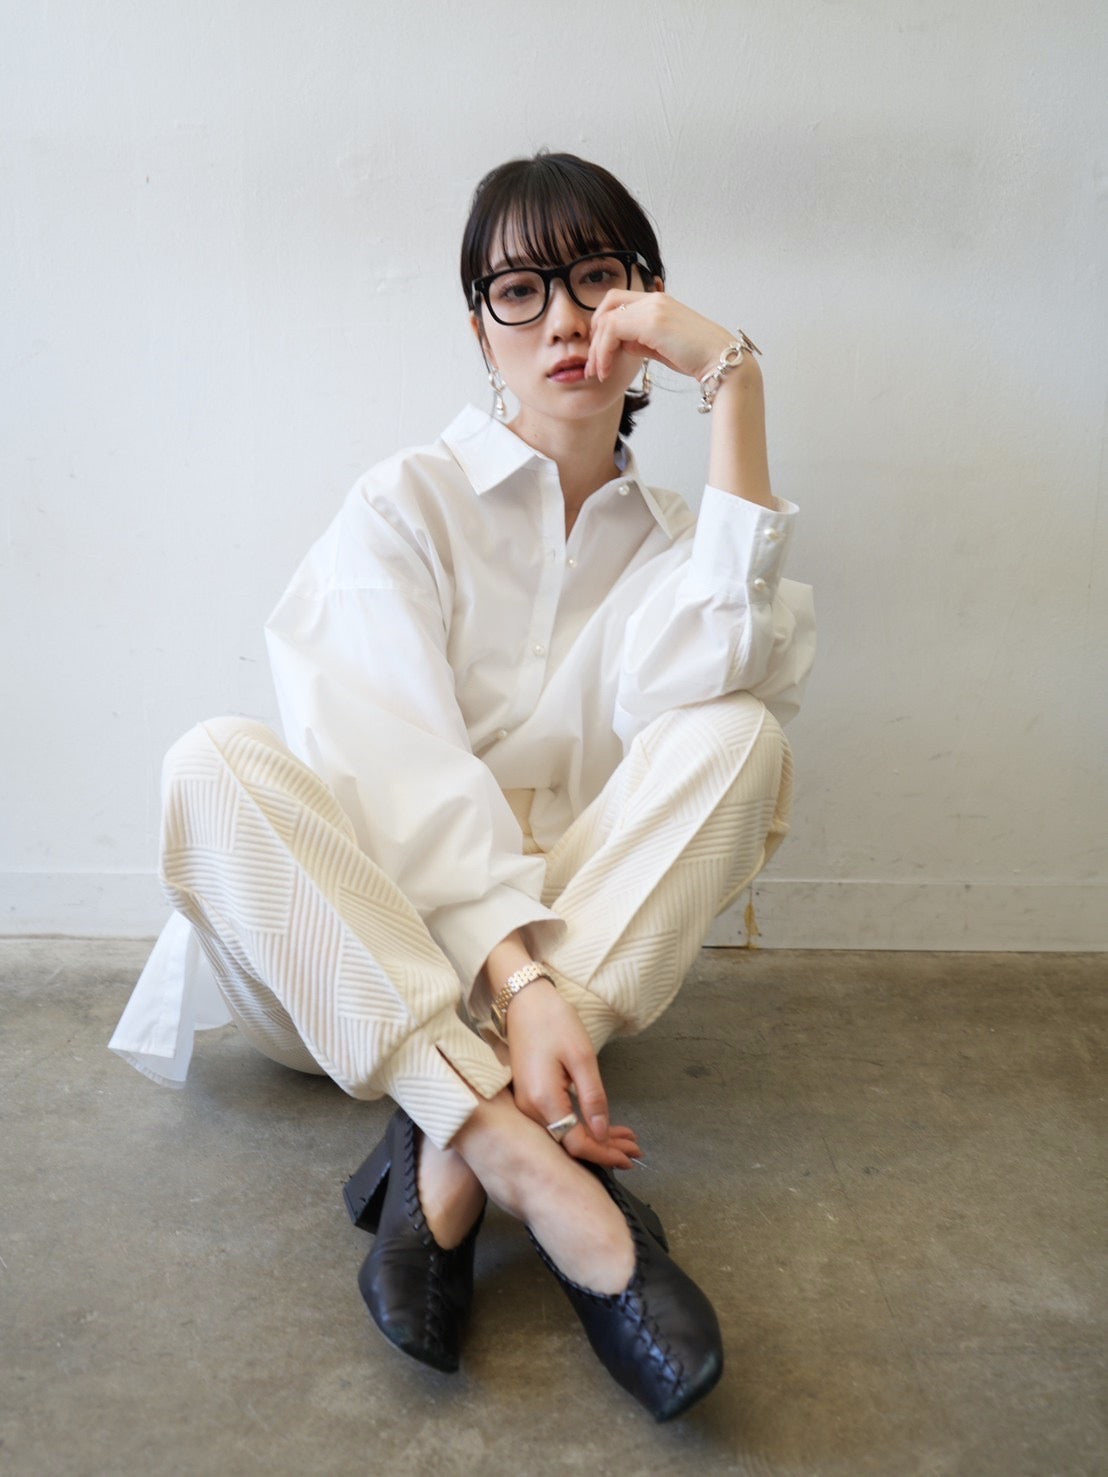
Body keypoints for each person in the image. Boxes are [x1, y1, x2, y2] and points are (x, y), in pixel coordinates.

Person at [109, 150, 815, 1421]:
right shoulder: (404, 501)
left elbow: (734, 658)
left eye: (595, 280)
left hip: (565, 973)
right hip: (337, 978)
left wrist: (733, 376)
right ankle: (527, 1166)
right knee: (211, 759)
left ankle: (442, 1134)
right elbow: (387, 764)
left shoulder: (676, 545)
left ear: (646, 304)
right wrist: (518, 983)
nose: (563, 320)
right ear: (480, 332)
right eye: (519, 291)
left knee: (739, 734)